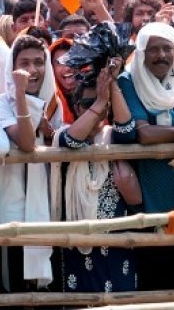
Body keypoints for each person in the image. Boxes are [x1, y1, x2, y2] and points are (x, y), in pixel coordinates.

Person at [113, 22, 174, 289]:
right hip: (148, 200)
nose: (161, 55)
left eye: (168, 48)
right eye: (153, 49)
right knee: (153, 281)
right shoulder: (129, 81)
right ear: (141, 52)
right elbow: (144, 133)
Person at [50, 61, 139, 293]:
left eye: (103, 105)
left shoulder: (113, 137)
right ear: (76, 107)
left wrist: (113, 86)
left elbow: (128, 131)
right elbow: (72, 142)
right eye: (87, 104)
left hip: (117, 243)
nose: (97, 110)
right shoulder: (63, 135)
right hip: (76, 246)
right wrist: (100, 101)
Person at [0, 34, 60, 293]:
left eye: (39, 62)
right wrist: (19, 93)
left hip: (44, 206)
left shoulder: (53, 104)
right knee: (13, 287)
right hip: (11, 208)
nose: (32, 70)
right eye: (24, 63)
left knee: (41, 291)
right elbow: (27, 143)